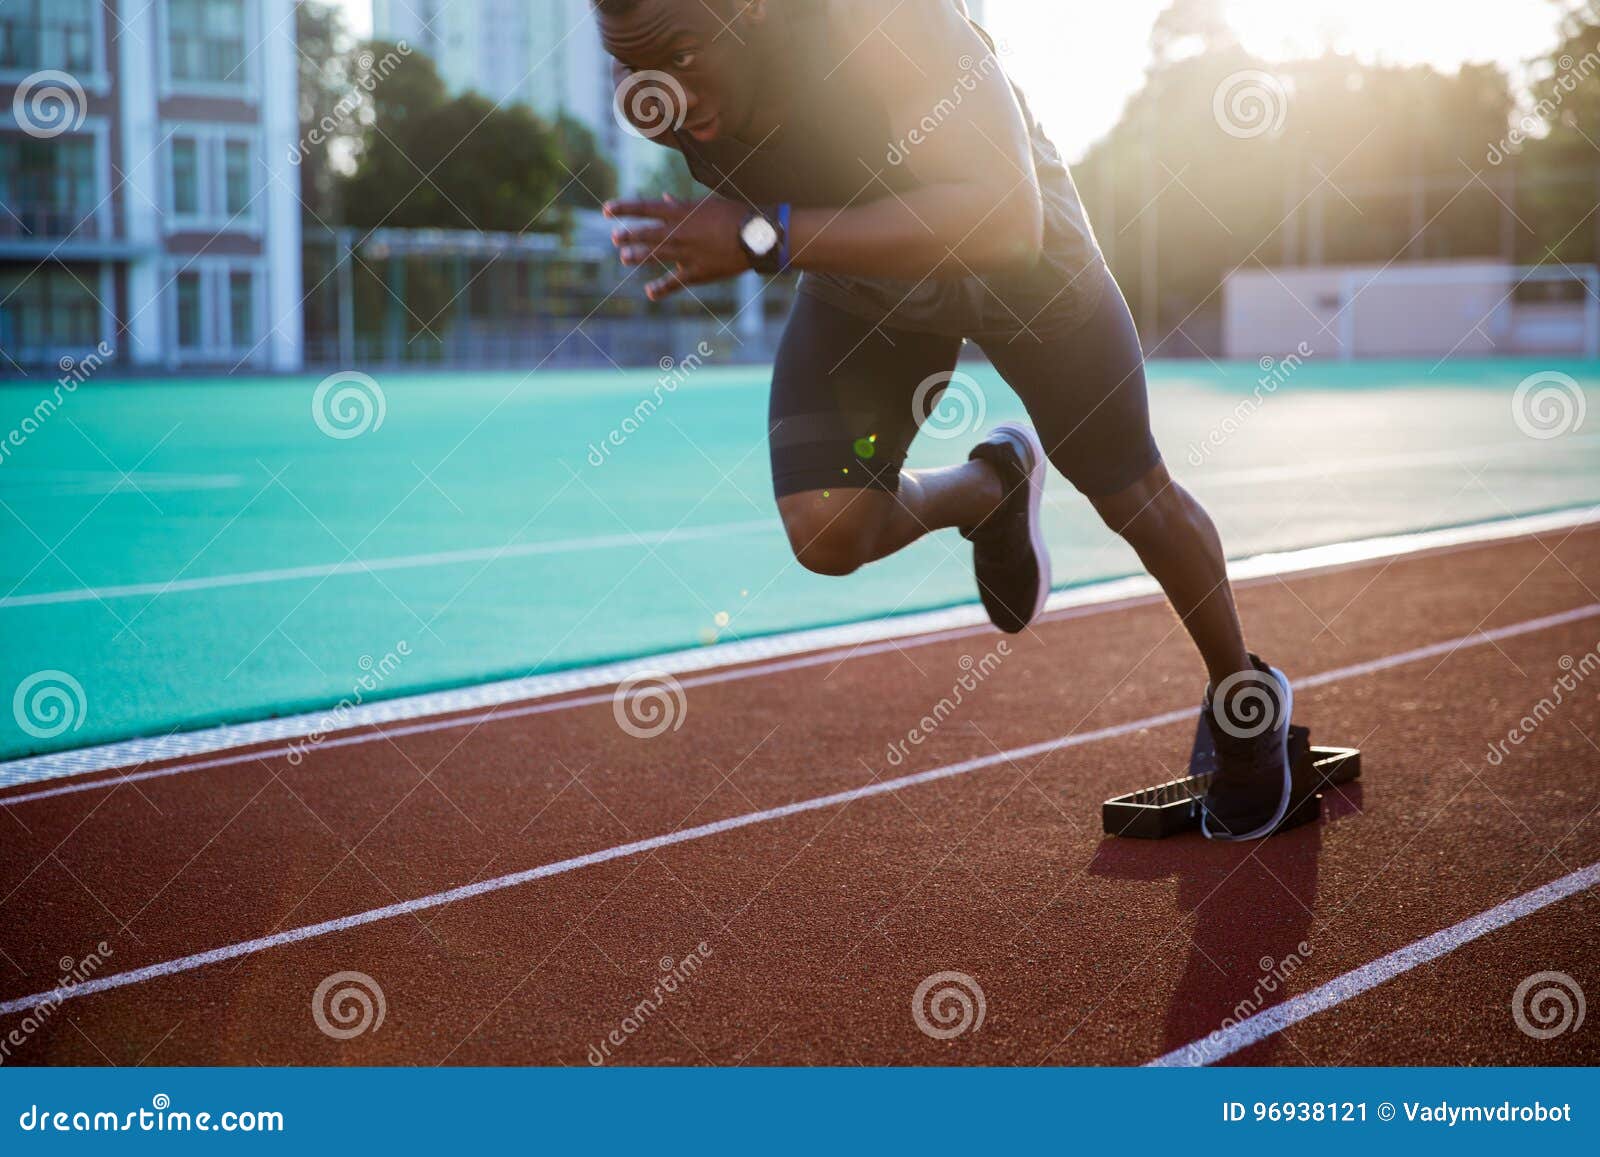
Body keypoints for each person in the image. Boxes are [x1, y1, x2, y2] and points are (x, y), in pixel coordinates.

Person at [594, 0, 1294, 841]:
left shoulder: (889, 21)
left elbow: (1003, 222)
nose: (658, 91)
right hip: (876, 290)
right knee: (828, 529)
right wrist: (759, 233)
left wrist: (756, 235)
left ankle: (1244, 696)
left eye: (678, 53)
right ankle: (988, 489)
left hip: (1026, 280)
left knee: (1137, 501)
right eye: (634, 68)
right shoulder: (658, 95)